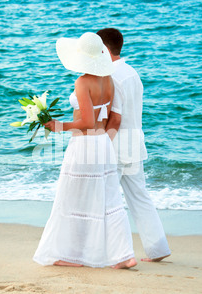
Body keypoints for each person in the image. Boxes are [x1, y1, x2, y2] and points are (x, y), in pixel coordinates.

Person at [33, 32, 137, 269]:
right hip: (103, 144)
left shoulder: (82, 82)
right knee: (111, 201)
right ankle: (124, 256)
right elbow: (113, 118)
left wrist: (59, 126)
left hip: (84, 144)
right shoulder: (110, 79)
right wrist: (104, 143)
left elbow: (88, 121)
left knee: (70, 198)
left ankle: (66, 255)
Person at [97, 28, 171, 262]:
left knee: (106, 200)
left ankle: (116, 254)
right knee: (139, 196)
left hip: (117, 145)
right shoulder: (132, 73)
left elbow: (114, 118)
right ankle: (158, 249)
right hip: (134, 143)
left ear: (105, 50)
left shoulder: (112, 77)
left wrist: (101, 144)